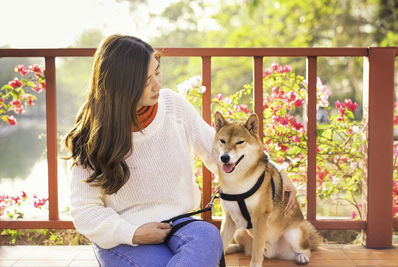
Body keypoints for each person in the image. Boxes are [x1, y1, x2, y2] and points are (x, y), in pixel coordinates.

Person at [65, 34, 297, 267]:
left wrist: (275, 170)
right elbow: (85, 211)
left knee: (208, 237)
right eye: (146, 81)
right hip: (123, 236)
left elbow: (219, 152)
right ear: (122, 86)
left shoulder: (173, 107)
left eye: (157, 72)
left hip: (182, 226)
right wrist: (134, 233)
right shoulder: (91, 136)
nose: (157, 84)